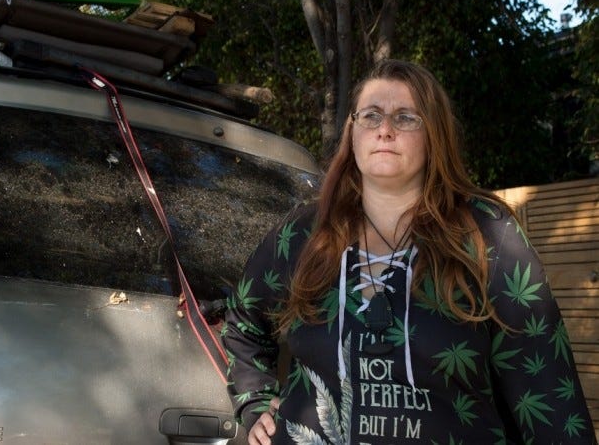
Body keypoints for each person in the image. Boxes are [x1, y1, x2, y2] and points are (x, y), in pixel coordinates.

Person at [223, 59, 596, 445]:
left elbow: (549, 395)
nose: (385, 130)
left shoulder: (487, 235)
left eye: (405, 118)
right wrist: (255, 401)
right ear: (352, 133)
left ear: (434, 134)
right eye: (371, 115)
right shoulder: (305, 232)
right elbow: (242, 321)